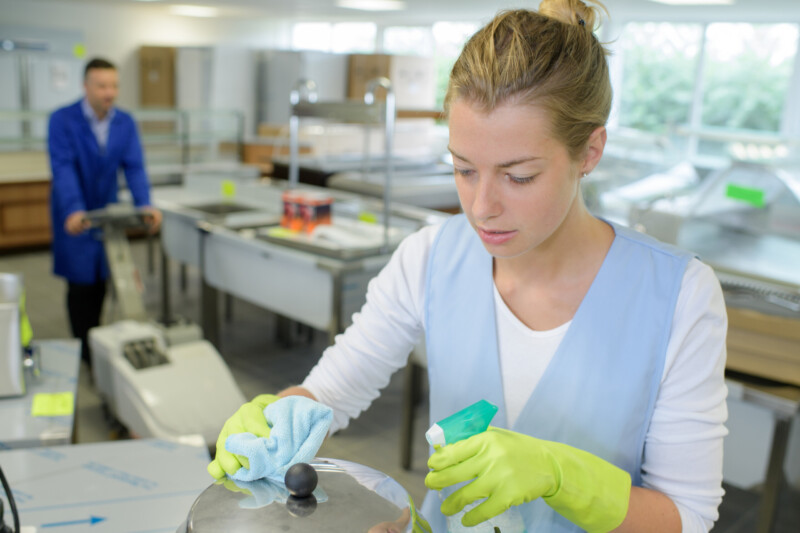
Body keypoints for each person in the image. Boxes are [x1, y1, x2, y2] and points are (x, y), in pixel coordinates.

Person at [208, 1, 728, 531]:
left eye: (518, 176)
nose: (481, 207)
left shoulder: (678, 293)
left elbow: (688, 513)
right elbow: (332, 393)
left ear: (590, 150)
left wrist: (564, 476)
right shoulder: (432, 255)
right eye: (462, 168)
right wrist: (279, 418)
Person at [48, 57, 162, 365]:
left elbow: (135, 167)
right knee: (80, 283)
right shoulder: (62, 120)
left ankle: (98, 345)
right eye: (102, 86)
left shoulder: (124, 122)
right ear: (85, 86)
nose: (109, 92)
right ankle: (84, 352)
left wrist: (145, 204)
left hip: (106, 215)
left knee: (104, 277)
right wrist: (73, 209)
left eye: (113, 85)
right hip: (76, 214)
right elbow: (63, 168)